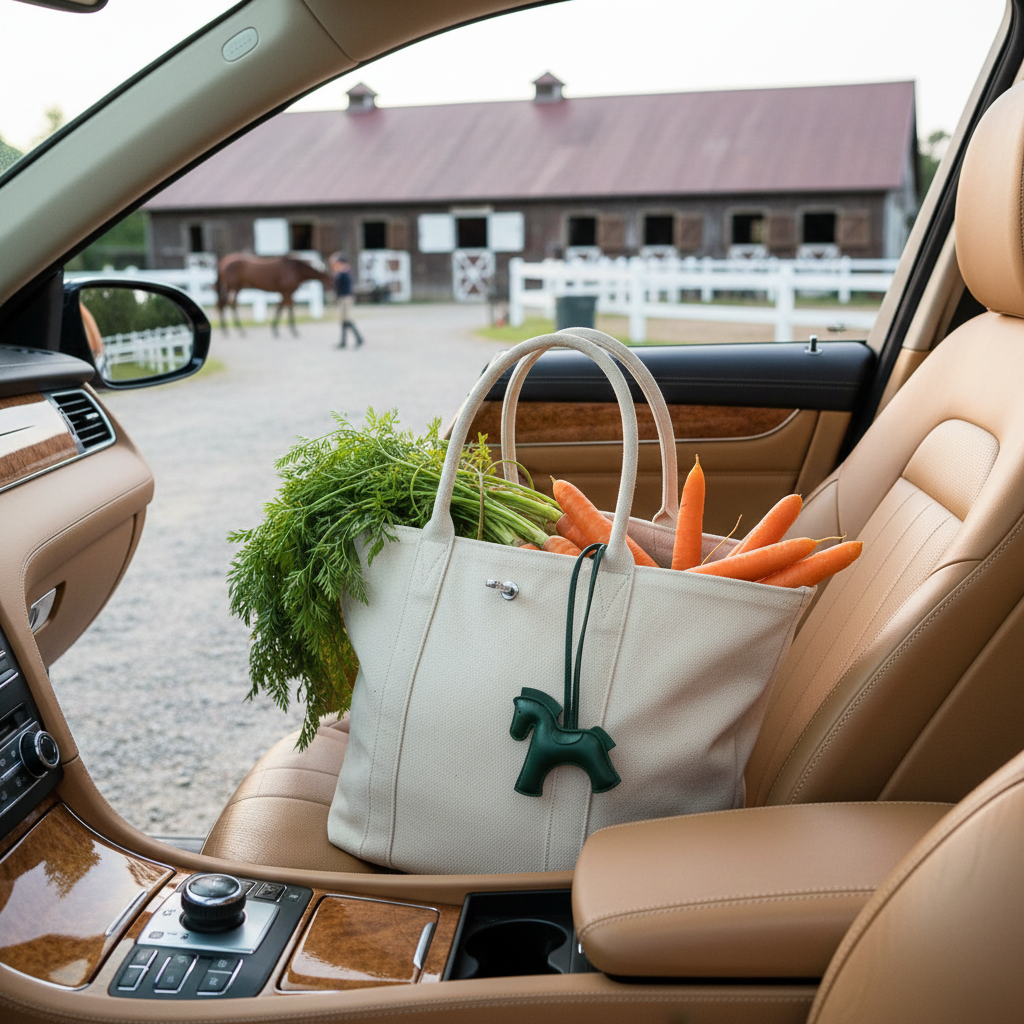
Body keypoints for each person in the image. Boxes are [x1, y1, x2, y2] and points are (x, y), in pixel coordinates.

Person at [330, 253, 363, 348]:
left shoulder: (344, 272)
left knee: (346, 319)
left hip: (345, 298)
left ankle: (357, 339)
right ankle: (345, 341)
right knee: (343, 320)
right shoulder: (343, 272)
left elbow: (339, 285)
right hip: (343, 297)